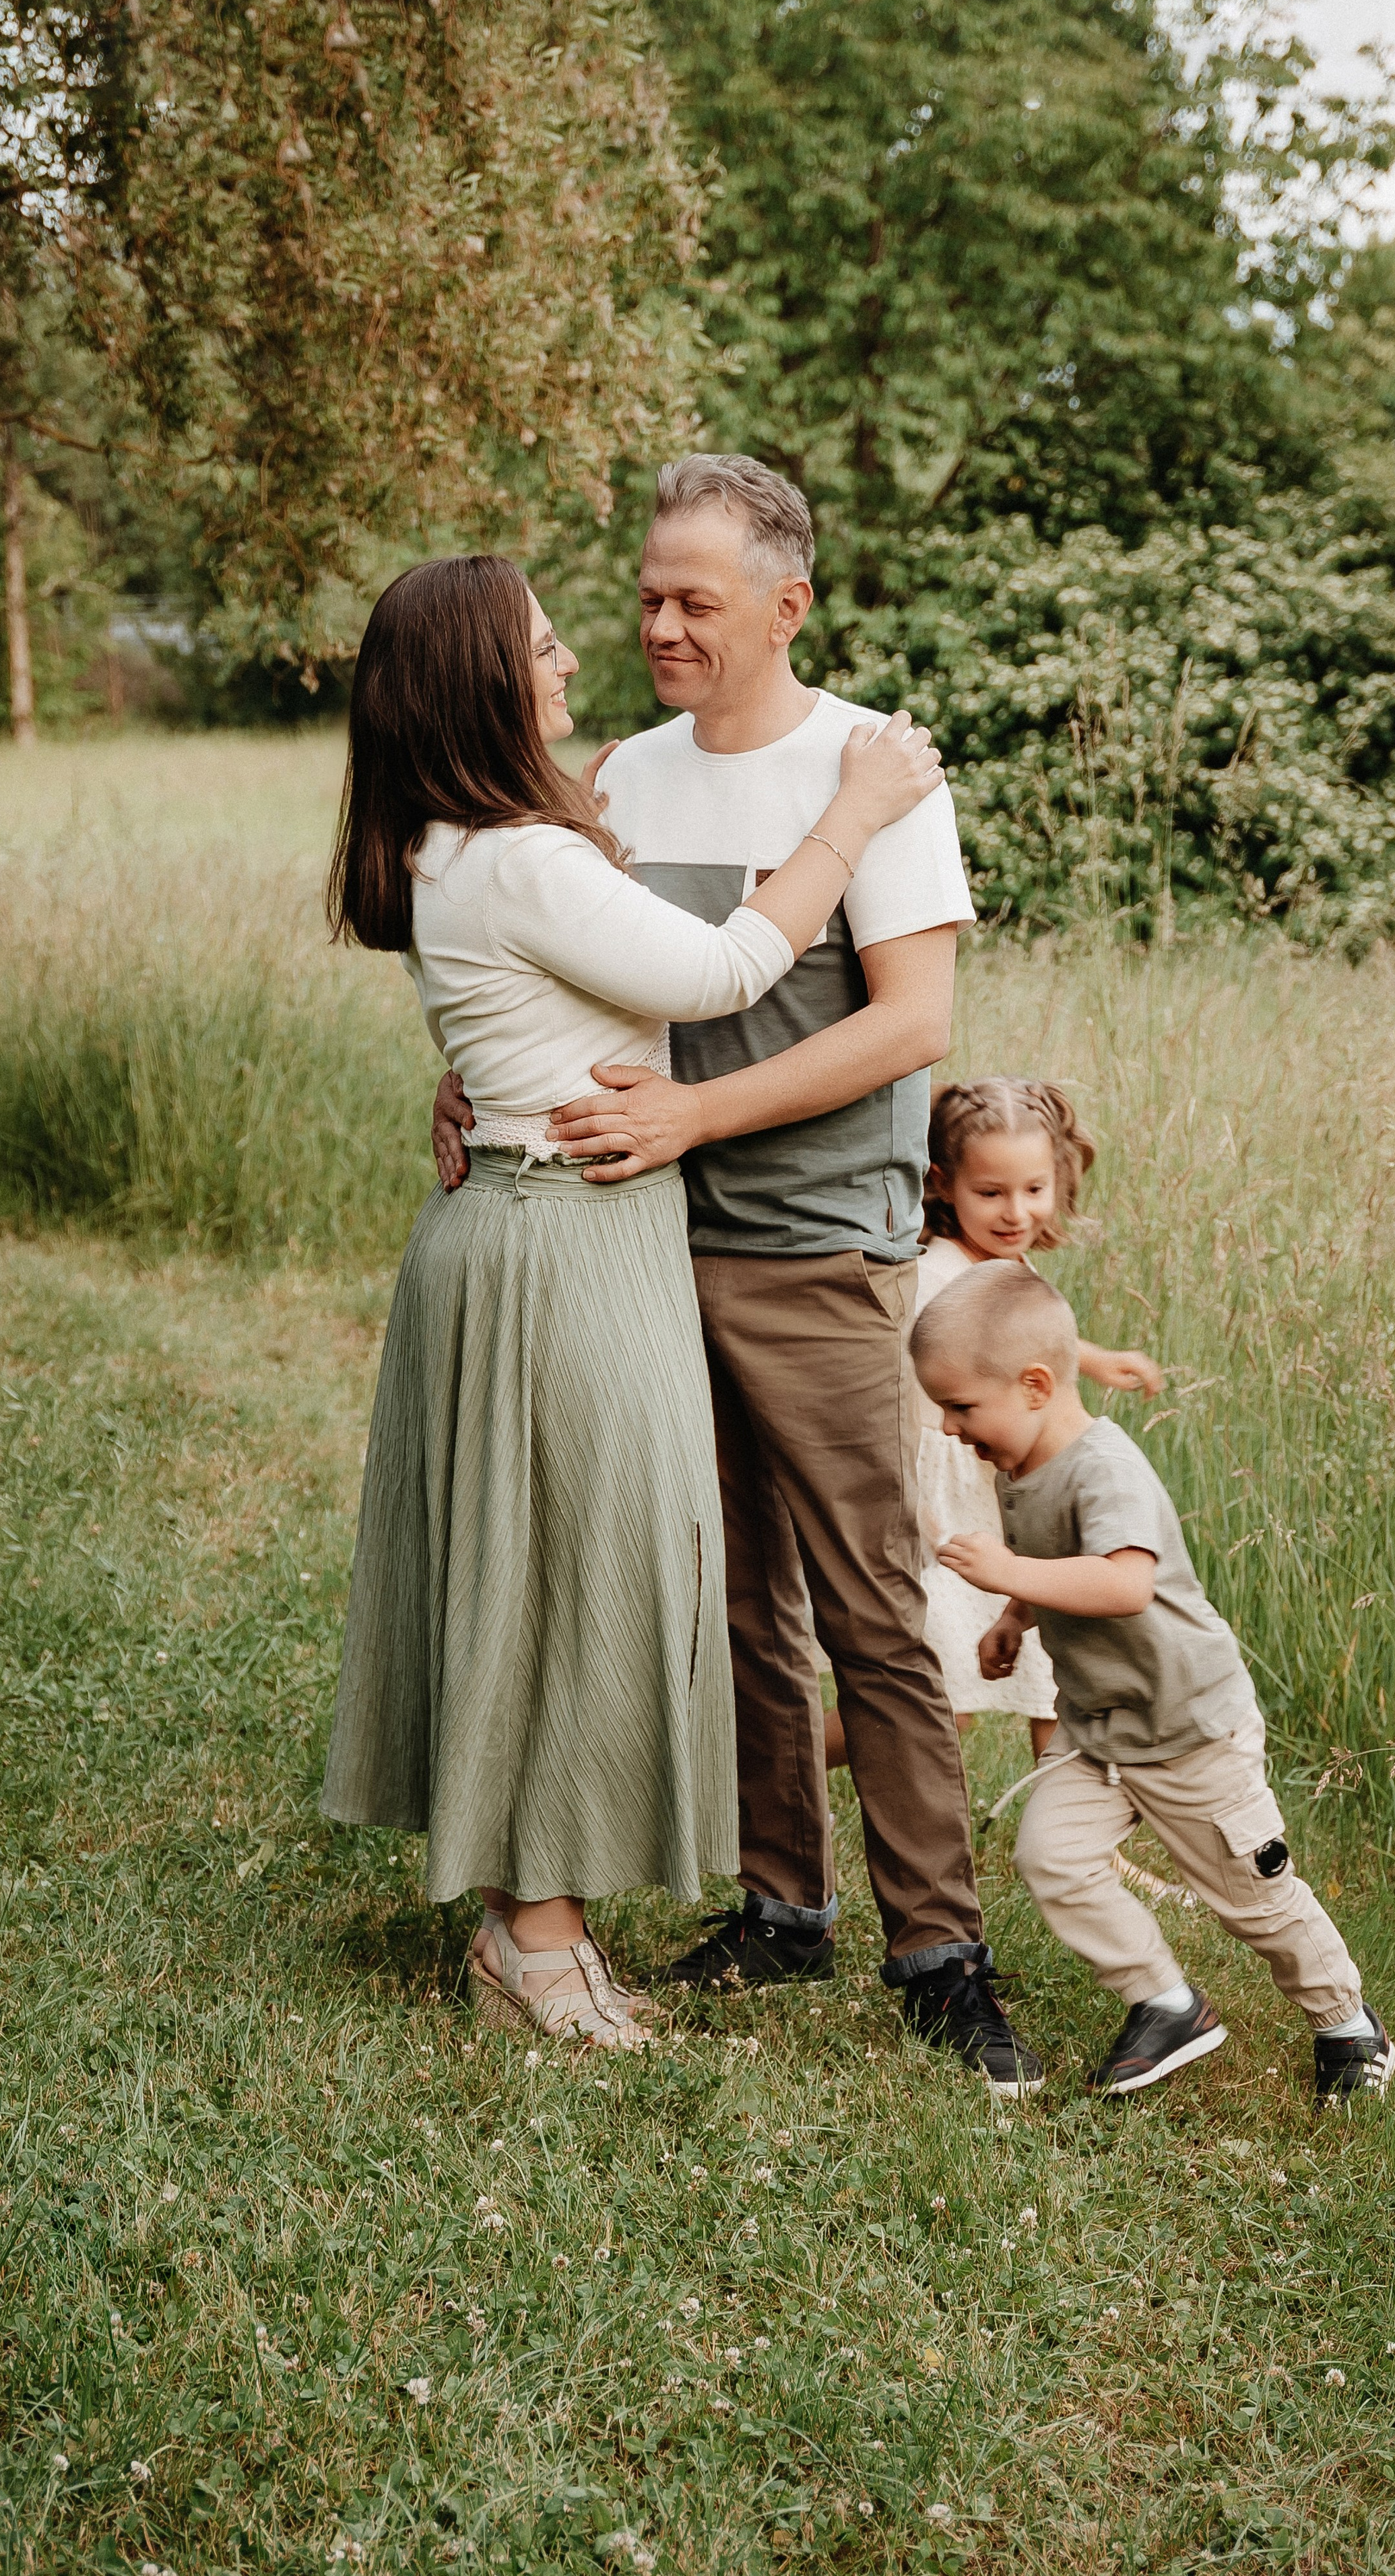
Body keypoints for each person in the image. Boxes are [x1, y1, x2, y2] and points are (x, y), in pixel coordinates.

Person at [432, 454, 1042, 2098]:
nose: (659, 624)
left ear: (790, 602)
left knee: (870, 1602)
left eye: (695, 598)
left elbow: (910, 1026)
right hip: (634, 1243)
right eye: (643, 594)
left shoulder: (868, 774)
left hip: (814, 1243)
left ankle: (941, 1955)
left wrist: (699, 1110)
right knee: (725, 1599)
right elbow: (575, 967)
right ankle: (782, 1905)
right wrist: (479, 1086)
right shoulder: (617, 775)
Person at [321, 551, 944, 2052]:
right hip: (562, 1237)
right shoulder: (514, 854)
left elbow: (529, 1003)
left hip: (538, 1219)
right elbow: (724, 970)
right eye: (539, 649)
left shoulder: (471, 842)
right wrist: (854, 812)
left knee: (546, 1565)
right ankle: (538, 1941)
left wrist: (490, 1072)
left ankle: (531, 1919)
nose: (570, 663)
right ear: (480, 678)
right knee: (573, 1575)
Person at [912, 1259, 1395, 2108]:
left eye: (960, 1406)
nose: (950, 1428)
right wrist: (1015, 1617)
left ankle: (1346, 2023)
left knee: (1253, 1897)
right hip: (1101, 1729)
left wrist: (1005, 1570)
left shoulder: (1106, 1466)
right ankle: (1166, 2003)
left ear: (1033, 1385)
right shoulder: (1018, 1465)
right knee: (1050, 1857)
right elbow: (1067, 1571)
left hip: (1187, 1730)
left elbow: (1124, 1582)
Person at [821, 1075, 1161, 1770]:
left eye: (1033, 1190)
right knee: (941, 1696)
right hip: (944, 1505)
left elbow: (1016, 1349)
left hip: (1007, 1493)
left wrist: (1091, 1360)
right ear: (943, 1184)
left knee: (1052, 1675)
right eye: (991, 1193)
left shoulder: (1008, 1263)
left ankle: (1079, 1838)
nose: (1015, 1213)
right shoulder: (933, 1275)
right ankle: (774, 1762)